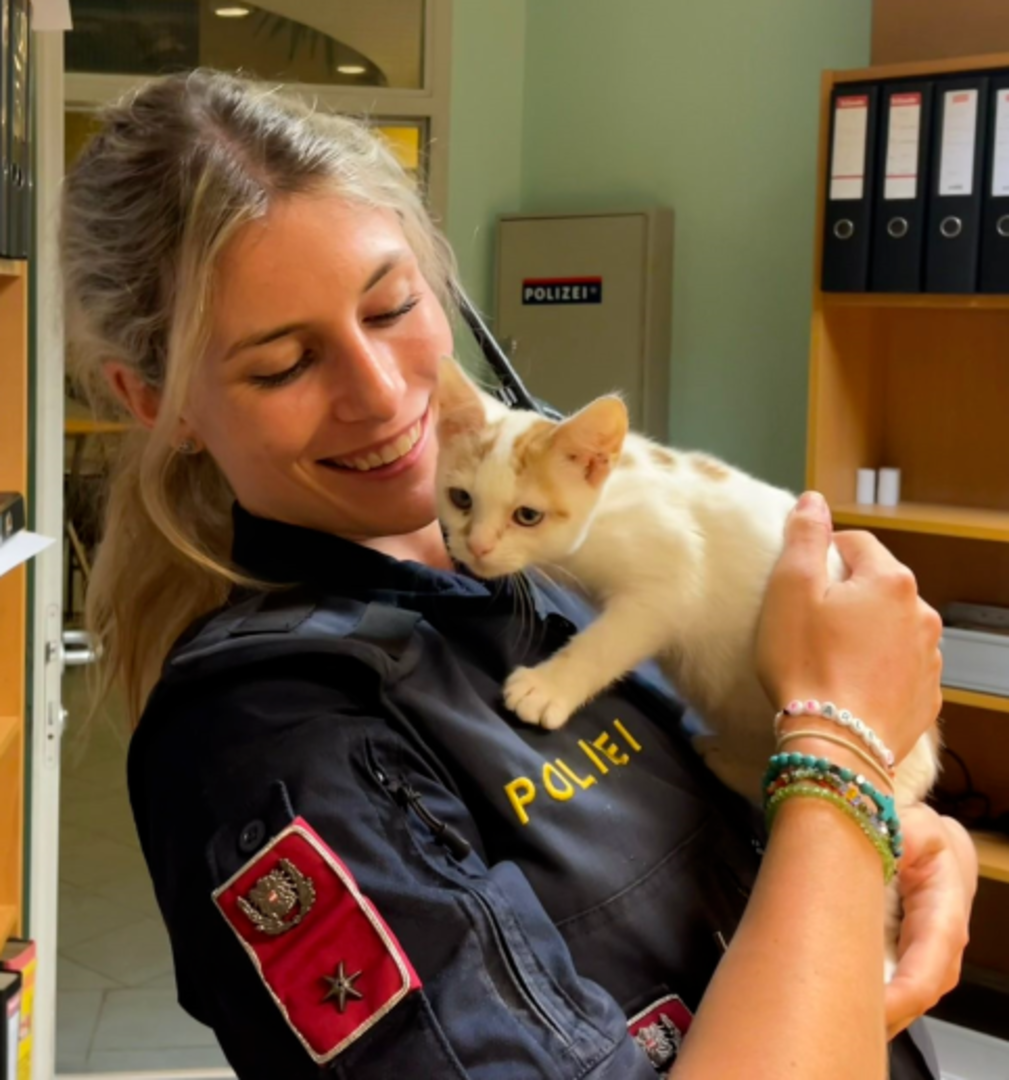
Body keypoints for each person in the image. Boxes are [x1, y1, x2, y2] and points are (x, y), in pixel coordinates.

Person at [61, 70, 976, 1079]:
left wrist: (885, 833)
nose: (382, 394)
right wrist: (838, 763)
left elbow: (743, 823)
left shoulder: (533, 562)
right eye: (282, 366)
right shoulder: (271, 743)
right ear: (157, 402)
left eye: (393, 305)